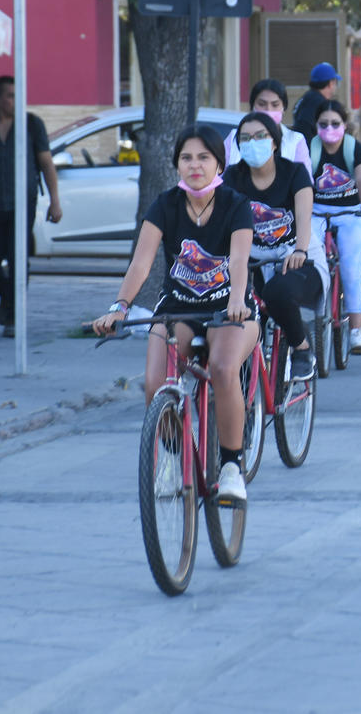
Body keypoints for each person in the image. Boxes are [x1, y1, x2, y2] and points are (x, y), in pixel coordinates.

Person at [89, 126, 258, 503]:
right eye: (186, 158)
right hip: (177, 310)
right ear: (176, 164)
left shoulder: (236, 204)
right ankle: (174, 459)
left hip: (230, 310)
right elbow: (141, 263)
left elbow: (239, 259)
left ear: (219, 163)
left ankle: (231, 465)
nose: (194, 165)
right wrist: (119, 308)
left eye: (203, 157)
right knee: (155, 384)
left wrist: (235, 299)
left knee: (224, 369)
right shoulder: (164, 205)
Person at [222, 112, 323, 381]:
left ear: (275, 142)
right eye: (245, 139)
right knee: (237, 311)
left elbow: (303, 216)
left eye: (259, 137)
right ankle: (242, 390)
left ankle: (301, 348)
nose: (252, 143)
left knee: (277, 292)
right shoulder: (232, 177)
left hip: (295, 255)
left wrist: (300, 250)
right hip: (249, 258)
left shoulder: (295, 172)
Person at [0, 75, 62, 337]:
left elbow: (46, 164)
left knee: (19, 258)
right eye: (9, 96)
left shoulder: (31, 124)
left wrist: (55, 201)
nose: (14, 101)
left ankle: (13, 317)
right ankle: (9, 297)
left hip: (23, 204)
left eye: (17, 95)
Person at [309, 100, 361, 354]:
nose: (329, 128)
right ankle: (317, 316)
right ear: (316, 126)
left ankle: (356, 333)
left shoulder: (355, 149)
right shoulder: (309, 149)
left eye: (335, 123)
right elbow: (302, 182)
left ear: (345, 125)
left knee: (350, 269)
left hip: (352, 212)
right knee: (311, 261)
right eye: (323, 124)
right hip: (315, 212)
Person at [225, 78, 310, 169]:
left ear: (284, 108)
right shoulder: (234, 137)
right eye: (262, 104)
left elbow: (305, 179)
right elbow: (219, 177)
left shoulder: (295, 140)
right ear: (252, 106)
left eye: (275, 105)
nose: (268, 110)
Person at [291, 62, 341, 142]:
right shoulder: (319, 103)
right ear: (330, 83)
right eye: (335, 82)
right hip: (310, 149)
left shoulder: (307, 98)